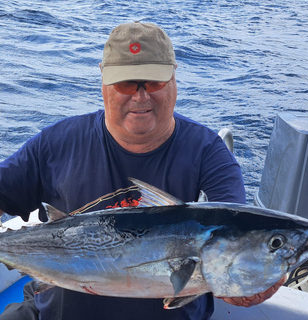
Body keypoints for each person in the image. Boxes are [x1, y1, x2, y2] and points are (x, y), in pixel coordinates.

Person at [0, 22, 284, 320]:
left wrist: (244, 284)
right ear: (104, 82)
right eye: (126, 84)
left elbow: (234, 236)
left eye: (154, 82)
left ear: (174, 77)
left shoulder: (208, 153)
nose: (140, 96)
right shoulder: (57, 143)